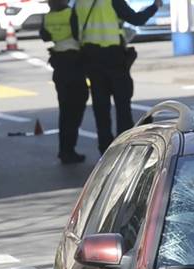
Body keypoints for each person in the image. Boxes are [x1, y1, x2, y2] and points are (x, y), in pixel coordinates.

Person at [74, 0, 160, 154]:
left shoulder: (80, 3)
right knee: (122, 105)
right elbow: (137, 19)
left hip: (91, 58)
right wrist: (154, 7)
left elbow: (75, 31)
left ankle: (105, 150)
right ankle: (125, 147)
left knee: (101, 107)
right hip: (114, 57)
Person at [40, 0, 87, 164]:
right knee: (77, 107)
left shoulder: (49, 15)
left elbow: (45, 36)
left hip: (59, 63)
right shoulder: (70, 13)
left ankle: (64, 149)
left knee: (65, 109)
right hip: (73, 62)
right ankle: (69, 149)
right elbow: (78, 35)